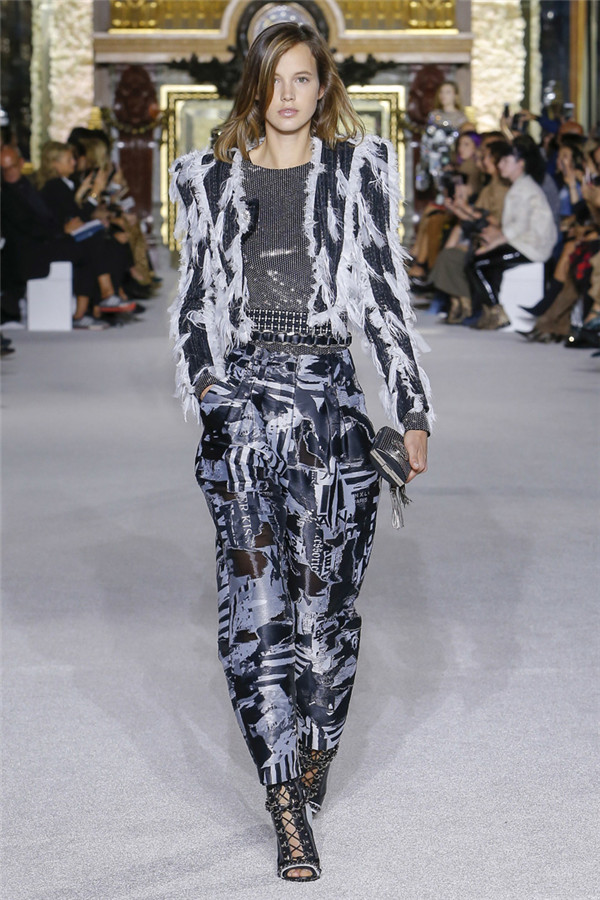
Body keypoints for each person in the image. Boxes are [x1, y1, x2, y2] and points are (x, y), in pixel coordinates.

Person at [170, 22, 432, 883]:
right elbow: (194, 307)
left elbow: (384, 296)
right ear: (254, 85)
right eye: (274, 78)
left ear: (324, 88)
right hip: (244, 416)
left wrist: (412, 408)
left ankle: (314, 750)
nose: (287, 94)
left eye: (303, 79)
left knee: (327, 619)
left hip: (331, 417)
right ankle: (285, 802)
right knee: (256, 614)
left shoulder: (358, 174)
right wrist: (216, 401)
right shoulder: (210, 179)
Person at [467, 135, 557, 329]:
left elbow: (518, 227)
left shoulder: (525, 188)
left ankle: (496, 312)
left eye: (506, 161)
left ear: (520, 163)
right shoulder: (521, 186)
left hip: (531, 245)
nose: (500, 165)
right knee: (484, 263)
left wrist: (492, 244)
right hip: (523, 242)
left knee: (478, 263)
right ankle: (491, 312)